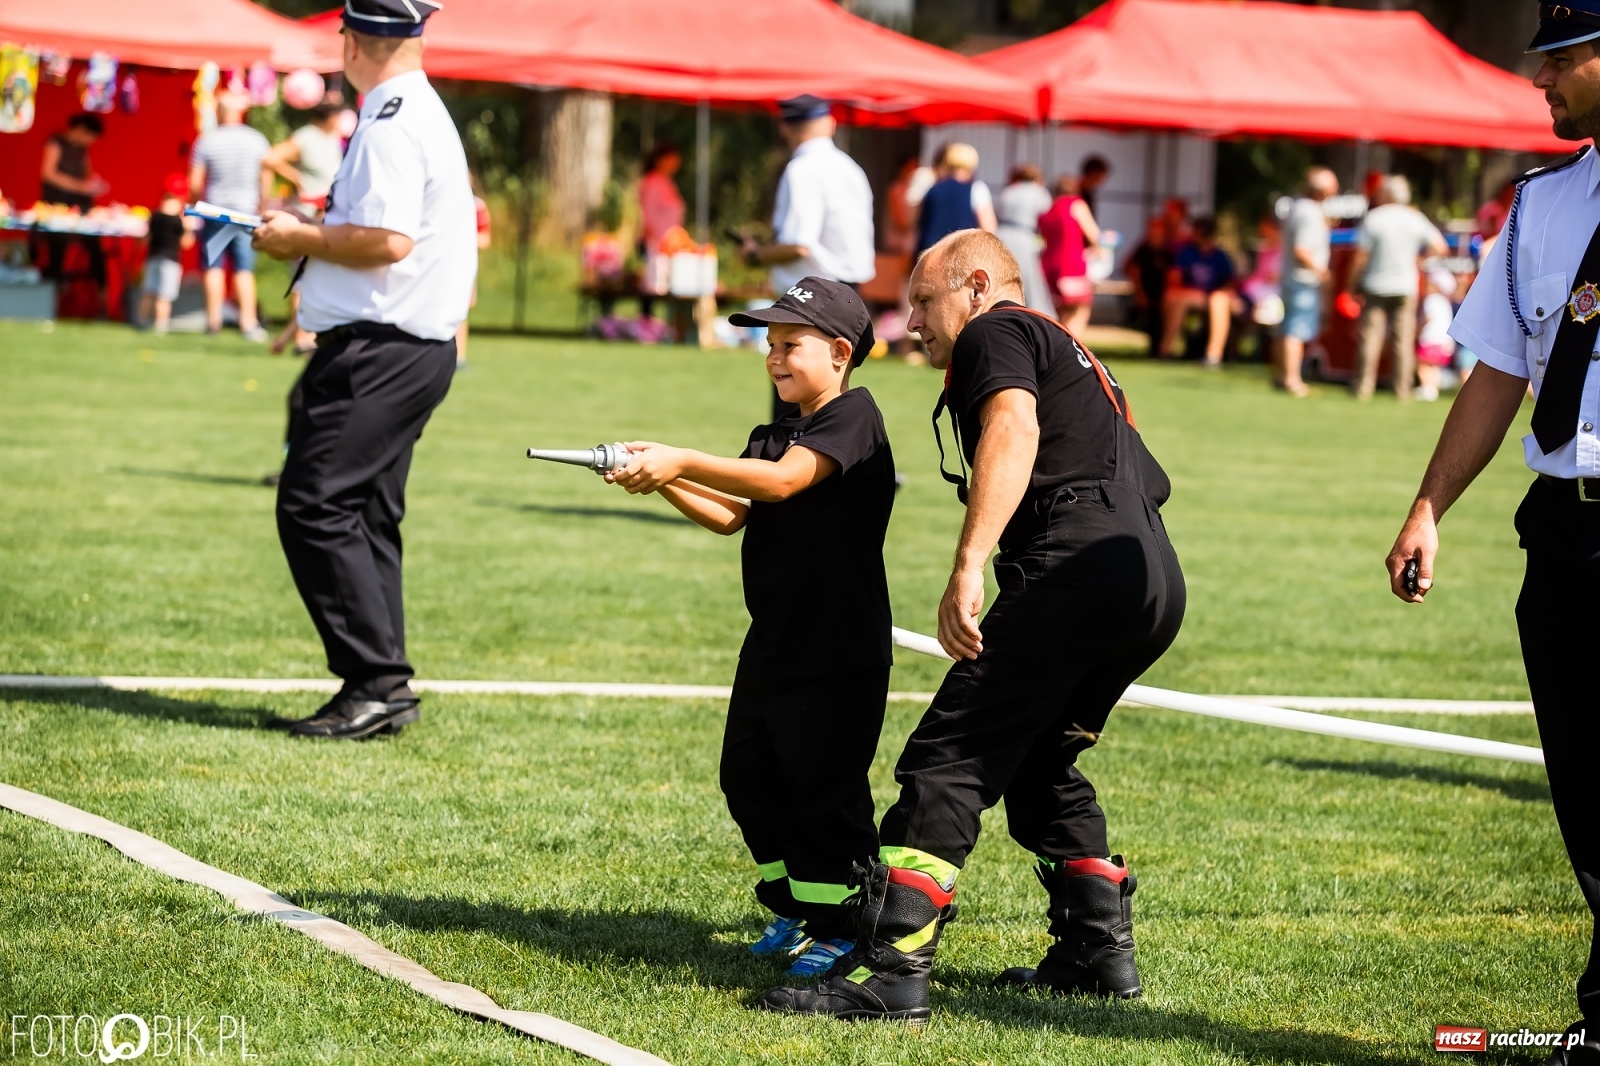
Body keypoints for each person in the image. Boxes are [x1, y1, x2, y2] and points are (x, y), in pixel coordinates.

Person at [761, 230, 1185, 1023]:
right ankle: (1096, 954)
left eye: (925, 300)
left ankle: (891, 970)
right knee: (1037, 761)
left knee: (949, 756)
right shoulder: (1072, 350)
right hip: (1150, 578)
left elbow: (1014, 428)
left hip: (1078, 563)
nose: (913, 321)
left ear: (979, 285)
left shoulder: (996, 331)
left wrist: (969, 563)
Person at [1385, 10, 1600, 1063]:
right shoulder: (1544, 203)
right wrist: (1429, 506)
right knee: (1588, 792)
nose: (1541, 81)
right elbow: (1500, 368)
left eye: (1561, 59)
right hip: (1563, 531)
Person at [603, 278, 894, 980]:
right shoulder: (775, 433)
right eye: (769, 344)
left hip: (838, 646)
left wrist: (681, 458)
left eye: (791, 344)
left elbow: (783, 483)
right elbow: (734, 512)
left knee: (824, 789)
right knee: (748, 777)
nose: (774, 356)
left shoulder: (853, 417)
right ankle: (795, 905)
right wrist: (659, 478)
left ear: (840, 352)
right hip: (775, 639)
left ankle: (847, 926)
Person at [250, 0, 475, 741]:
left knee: (314, 505)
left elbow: (387, 239)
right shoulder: (413, 110)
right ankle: (382, 687)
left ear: (351, 41)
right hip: (405, 348)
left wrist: (299, 238)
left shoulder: (392, 120)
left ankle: (376, 682)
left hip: (381, 350)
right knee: (365, 514)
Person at [741, 94, 873, 418]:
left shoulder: (802, 169)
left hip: (813, 297)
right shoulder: (851, 167)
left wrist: (755, 254)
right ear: (830, 123)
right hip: (848, 294)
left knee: (793, 395)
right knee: (831, 398)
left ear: (784, 126)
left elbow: (798, 245)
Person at [1345, 174, 1448, 401]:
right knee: (1403, 341)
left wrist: (1351, 284)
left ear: (1386, 194)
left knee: (1370, 338)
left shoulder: (1374, 218)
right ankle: (1402, 389)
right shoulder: (1415, 218)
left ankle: (1363, 387)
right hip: (1405, 287)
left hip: (1375, 285)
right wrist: (1420, 261)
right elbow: (1440, 247)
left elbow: (1360, 257)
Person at [190, 89, 271, 341]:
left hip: (215, 209)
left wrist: (195, 205)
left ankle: (213, 322)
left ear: (218, 112)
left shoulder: (207, 140)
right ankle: (248, 323)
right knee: (243, 267)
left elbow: (195, 182)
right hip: (246, 210)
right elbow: (265, 176)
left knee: (213, 265)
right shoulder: (257, 139)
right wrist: (262, 205)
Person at [1276, 166, 1340, 397]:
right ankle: (1292, 380)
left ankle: (1281, 376)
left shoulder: (1298, 207)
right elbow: (1301, 250)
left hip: (1293, 279)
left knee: (1287, 329)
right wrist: (1322, 272)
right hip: (1303, 280)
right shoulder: (1309, 212)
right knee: (1296, 330)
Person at [36, 113, 109, 292]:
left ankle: (102, 297)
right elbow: (48, 174)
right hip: (57, 207)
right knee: (57, 248)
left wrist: (94, 185)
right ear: (81, 129)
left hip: (80, 208)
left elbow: (87, 176)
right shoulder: (56, 142)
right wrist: (79, 187)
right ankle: (53, 294)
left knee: (95, 247)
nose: (89, 142)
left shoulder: (83, 150)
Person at [1160, 216, 1235, 367]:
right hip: (1190, 295)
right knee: (1179, 299)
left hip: (1213, 297)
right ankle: (1166, 349)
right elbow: (1174, 277)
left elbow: (1230, 283)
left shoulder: (1220, 256)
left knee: (1218, 301)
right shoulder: (1187, 252)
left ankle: (1213, 355)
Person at [1038, 176, 1100, 335]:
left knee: (1059, 315)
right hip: (1071, 265)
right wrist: (1098, 250)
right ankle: (1071, 347)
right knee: (1078, 310)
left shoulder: (1048, 209)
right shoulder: (1076, 204)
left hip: (1048, 266)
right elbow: (1093, 234)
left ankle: (1057, 347)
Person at [263, 98, 345, 213]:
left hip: (324, 208)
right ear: (331, 117)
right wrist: (296, 177)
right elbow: (271, 158)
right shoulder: (306, 136)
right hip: (304, 209)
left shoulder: (333, 137)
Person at [914, 143, 997, 256]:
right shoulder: (977, 189)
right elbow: (988, 229)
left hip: (930, 253)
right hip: (961, 254)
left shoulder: (932, 189)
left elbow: (919, 224)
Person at [994, 165, 1055, 314]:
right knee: (1029, 278)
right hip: (1024, 236)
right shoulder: (1039, 192)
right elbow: (1048, 218)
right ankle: (1035, 311)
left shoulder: (1008, 191)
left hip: (1001, 235)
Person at [137, 174, 193, 334]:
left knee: (148, 292)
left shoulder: (154, 216)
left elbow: (144, 240)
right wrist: (188, 228)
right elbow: (186, 243)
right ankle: (161, 325)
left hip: (152, 259)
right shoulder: (179, 220)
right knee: (164, 296)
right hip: (171, 262)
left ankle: (141, 322)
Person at [637, 142, 685, 321]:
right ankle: (647, 322)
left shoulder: (668, 183)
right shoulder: (652, 182)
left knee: (668, 283)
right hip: (656, 243)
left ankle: (671, 322)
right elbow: (647, 214)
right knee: (653, 283)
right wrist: (654, 241)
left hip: (671, 244)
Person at [1125, 215, 1172, 356]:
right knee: (1151, 321)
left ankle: (1161, 349)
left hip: (1162, 293)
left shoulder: (1167, 252)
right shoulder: (1143, 250)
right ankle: (1155, 350)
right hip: (1147, 292)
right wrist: (1140, 293)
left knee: (1161, 322)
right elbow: (1131, 269)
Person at [1413, 268, 1456, 403]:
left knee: (1423, 364)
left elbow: (1427, 318)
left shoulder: (1431, 300)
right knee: (1434, 366)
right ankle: (1433, 389)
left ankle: (1427, 388)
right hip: (1445, 341)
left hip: (1430, 338)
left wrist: (1417, 329)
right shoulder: (1445, 302)